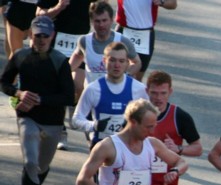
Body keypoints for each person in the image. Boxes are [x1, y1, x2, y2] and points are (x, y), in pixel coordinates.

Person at [0, 15, 75, 185]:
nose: (40, 40)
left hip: (53, 123)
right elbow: (4, 82)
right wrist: (18, 93)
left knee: (41, 168)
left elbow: (69, 97)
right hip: (28, 118)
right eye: (37, 35)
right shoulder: (20, 56)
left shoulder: (60, 61)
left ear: (52, 37)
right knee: (31, 163)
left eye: (45, 36)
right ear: (30, 35)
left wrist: (42, 99)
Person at [36, 0, 96, 150]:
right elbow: (40, 15)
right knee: (60, 87)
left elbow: (101, 6)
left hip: (80, 42)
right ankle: (61, 131)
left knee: (78, 86)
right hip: (58, 41)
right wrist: (58, 7)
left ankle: (74, 113)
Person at [72, 41, 148, 148]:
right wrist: (94, 125)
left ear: (127, 63)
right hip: (100, 147)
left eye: (121, 61)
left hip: (128, 148)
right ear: (104, 61)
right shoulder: (93, 89)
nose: (117, 65)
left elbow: (150, 120)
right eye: (112, 60)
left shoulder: (139, 89)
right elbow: (76, 119)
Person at [69, 0, 141, 86]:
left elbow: (137, 62)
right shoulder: (84, 41)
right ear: (92, 21)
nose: (101, 25)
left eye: (104, 20)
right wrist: (63, 73)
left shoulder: (122, 41)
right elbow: (77, 57)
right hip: (92, 94)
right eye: (97, 21)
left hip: (115, 92)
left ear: (111, 20)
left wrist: (125, 74)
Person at [115, 0, 177, 82]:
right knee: (117, 73)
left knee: (137, 78)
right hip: (124, 30)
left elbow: (173, 4)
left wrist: (161, 2)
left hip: (145, 34)